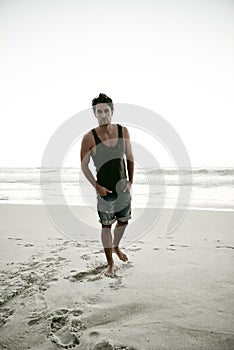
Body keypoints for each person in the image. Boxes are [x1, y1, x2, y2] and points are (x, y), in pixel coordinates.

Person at [80, 93, 134, 277]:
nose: (103, 114)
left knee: (124, 221)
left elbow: (130, 157)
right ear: (94, 113)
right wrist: (97, 187)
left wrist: (131, 181)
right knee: (106, 226)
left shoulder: (122, 131)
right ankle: (110, 263)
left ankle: (116, 247)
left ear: (112, 111)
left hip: (123, 189)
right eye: (99, 111)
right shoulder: (89, 137)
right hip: (105, 191)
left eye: (106, 110)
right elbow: (84, 166)